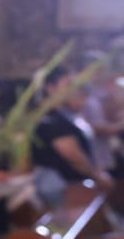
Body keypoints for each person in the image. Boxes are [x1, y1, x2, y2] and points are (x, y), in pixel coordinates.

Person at [32, 66, 115, 206]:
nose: (74, 89)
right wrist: (97, 175)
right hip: (66, 188)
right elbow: (73, 155)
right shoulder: (51, 120)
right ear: (51, 88)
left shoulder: (64, 114)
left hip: (76, 185)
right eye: (68, 84)